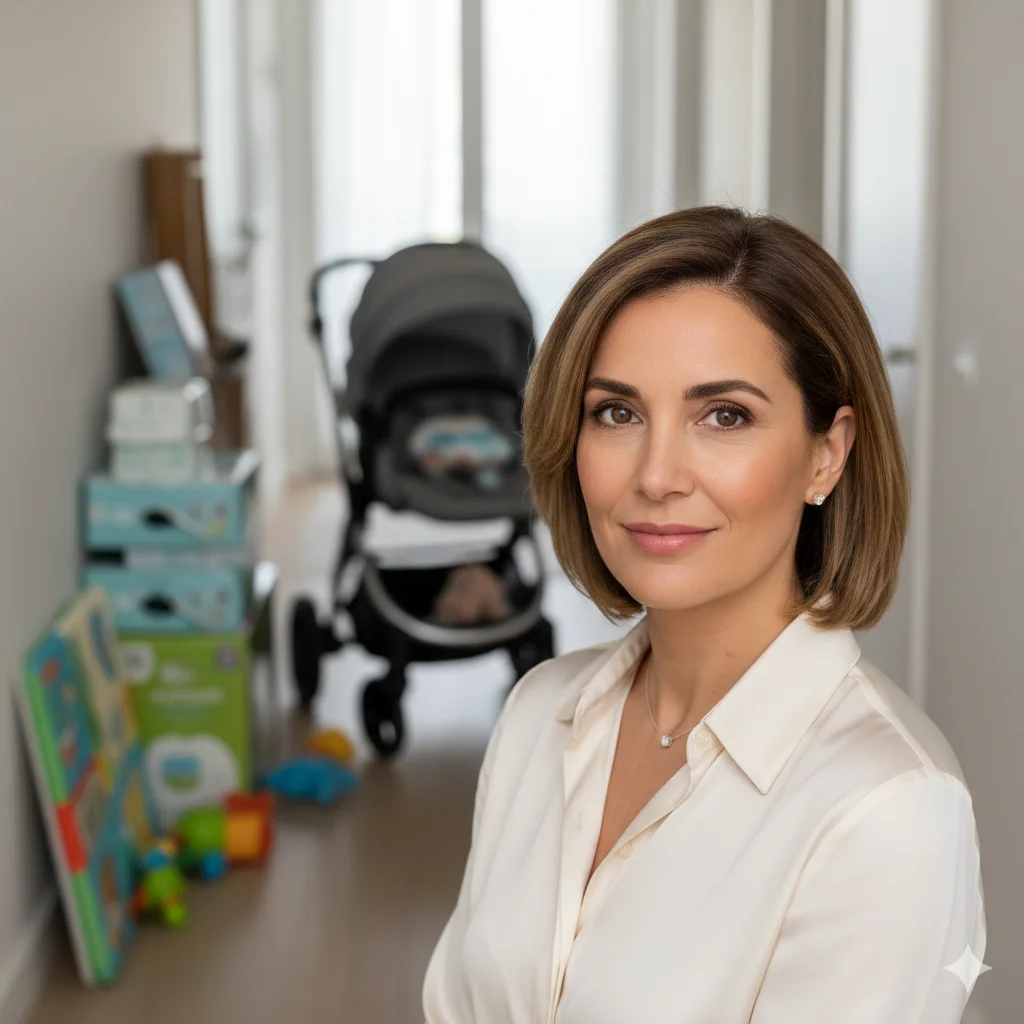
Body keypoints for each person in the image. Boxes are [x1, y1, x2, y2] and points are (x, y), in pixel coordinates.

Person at [422, 206, 986, 1023]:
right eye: (617, 413)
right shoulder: (539, 714)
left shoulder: (891, 810)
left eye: (725, 416)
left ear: (826, 454)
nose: (656, 476)